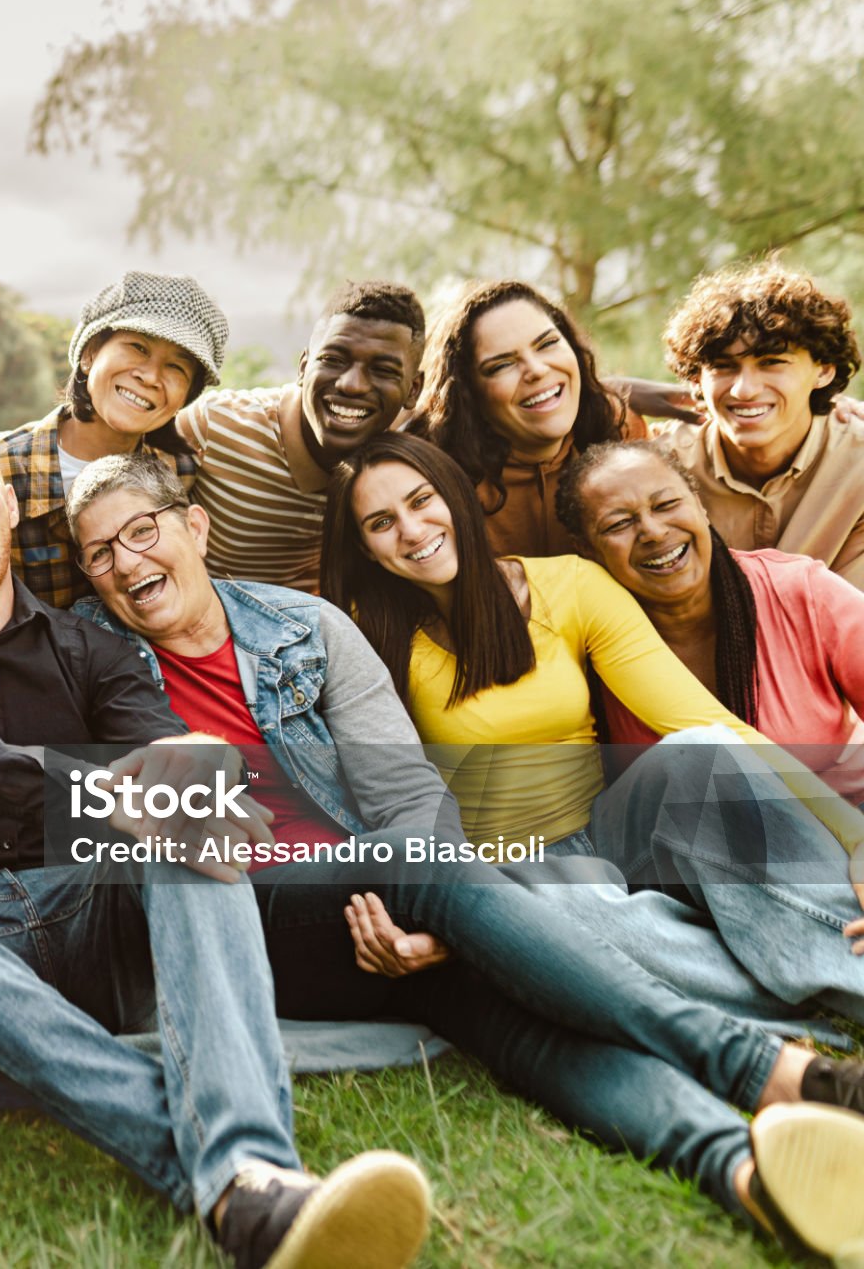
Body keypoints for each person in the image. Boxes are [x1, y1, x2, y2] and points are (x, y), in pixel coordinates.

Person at [59, 449, 864, 1257]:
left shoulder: (303, 628)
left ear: (194, 528)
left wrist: (433, 928)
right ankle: (767, 1070)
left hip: (389, 900)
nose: (127, 562)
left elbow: (408, 796)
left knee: (524, 1031)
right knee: (426, 874)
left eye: (141, 531)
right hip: (252, 913)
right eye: (100, 553)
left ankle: (745, 1176)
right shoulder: (88, 662)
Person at [0, 398, 435, 1269]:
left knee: (197, 822)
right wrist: (105, 792)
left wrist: (193, 771)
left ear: (7, 505)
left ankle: (252, 1172)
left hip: (97, 925)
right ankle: (220, 1171)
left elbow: (170, 758)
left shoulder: (95, 650)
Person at [319, 431, 864, 871]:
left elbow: (709, 728)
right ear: (364, 548)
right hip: (500, 870)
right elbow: (376, 794)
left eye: (421, 501)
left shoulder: (570, 587)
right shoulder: (362, 639)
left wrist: (855, 838)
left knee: (698, 748)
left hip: (611, 841)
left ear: (454, 496)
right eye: (382, 523)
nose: (413, 531)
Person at [553, 438, 864, 1012]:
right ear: (586, 550)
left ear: (696, 500)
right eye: (619, 523)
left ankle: (784, 974)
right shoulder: (579, 640)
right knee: (699, 753)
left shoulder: (797, 590)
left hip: (833, 845)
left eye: (666, 504)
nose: (651, 531)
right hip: (670, 864)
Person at [0, 270, 226, 609]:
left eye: (176, 368)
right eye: (138, 347)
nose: (149, 376)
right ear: (89, 354)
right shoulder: (0, 469)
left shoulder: (180, 472)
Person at [177, 281, 423, 592]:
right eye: (333, 360)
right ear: (304, 367)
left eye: (383, 369)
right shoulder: (215, 426)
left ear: (413, 389)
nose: (352, 385)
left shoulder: (408, 468)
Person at [652, 260, 864, 589]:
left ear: (823, 370)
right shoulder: (660, 467)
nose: (744, 390)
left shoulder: (857, 463)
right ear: (697, 378)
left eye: (772, 363)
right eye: (723, 366)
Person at [406, 280, 648, 558]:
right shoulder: (432, 481)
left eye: (547, 343)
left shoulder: (621, 428)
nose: (537, 369)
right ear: (468, 392)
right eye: (502, 365)